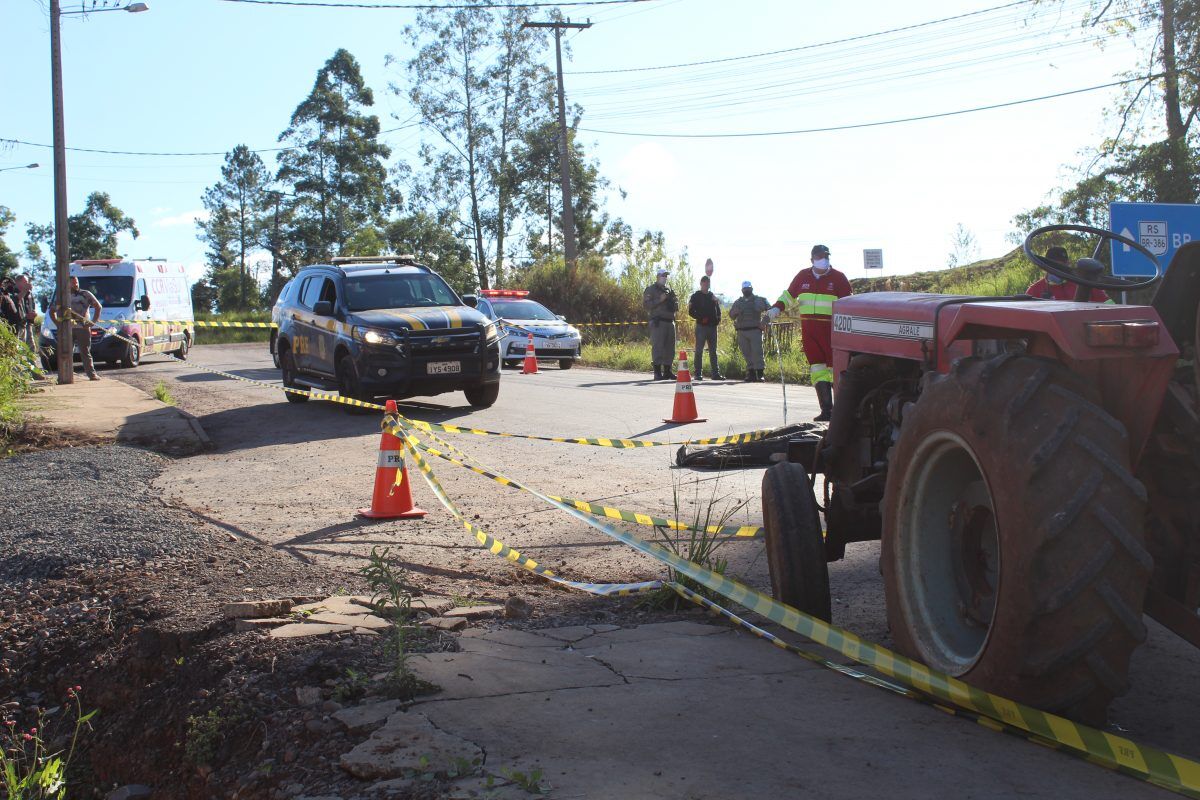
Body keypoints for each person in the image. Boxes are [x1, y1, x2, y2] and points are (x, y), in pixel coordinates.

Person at [767, 244, 852, 421]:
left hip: (832, 331)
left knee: (836, 369)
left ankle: (843, 413)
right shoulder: (802, 276)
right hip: (809, 332)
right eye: (820, 257)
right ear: (812, 259)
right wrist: (776, 308)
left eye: (826, 256)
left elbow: (849, 304)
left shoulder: (838, 278)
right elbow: (788, 296)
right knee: (817, 368)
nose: (824, 260)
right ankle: (827, 410)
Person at [50, 276, 103, 380]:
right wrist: (57, 324)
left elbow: (98, 306)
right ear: (68, 284)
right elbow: (52, 311)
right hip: (67, 329)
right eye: (73, 283)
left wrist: (92, 322)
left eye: (76, 282)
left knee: (85, 352)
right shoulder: (62, 296)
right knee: (66, 352)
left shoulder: (85, 294)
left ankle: (91, 374)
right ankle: (65, 375)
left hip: (83, 327)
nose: (75, 284)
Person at [1026, 246, 1113, 303]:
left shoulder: (1086, 284)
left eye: (1062, 265)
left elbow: (1109, 306)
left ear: (1068, 264)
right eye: (1054, 265)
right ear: (1045, 266)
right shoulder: (1035, 290)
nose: (1058, 269)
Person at [729, 280, 770, 382]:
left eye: (748, 288)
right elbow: (731, 315)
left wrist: (764, 322)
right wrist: (735, 312)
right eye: (745, 289)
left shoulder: (759, 300)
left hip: (755, 330)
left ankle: (760, 374)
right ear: (742, 290)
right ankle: (751, 373)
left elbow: (770, 310)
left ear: (752, 289)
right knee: (746, 353)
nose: (746, 290)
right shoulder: (738, 302)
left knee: (757, 352)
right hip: (742, 331)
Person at [642, 268, 678, 381]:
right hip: (658, 322)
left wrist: (674, 301)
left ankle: (667, 371)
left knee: (670, 348)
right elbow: (646, 305)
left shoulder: (668, 290)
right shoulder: (651, 290)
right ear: (657, 276)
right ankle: (657, 372)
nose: (664, 278)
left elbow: (676, 307)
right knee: (658, 346)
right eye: (662, 275)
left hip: (670, 322)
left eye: (666, 276)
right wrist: (659, 299)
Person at [687, 275, 724, 381]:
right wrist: (700, 318)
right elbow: (690, 311)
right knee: (699, 350)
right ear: (701, 284)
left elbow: (718, 309)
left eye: (708, 283)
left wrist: (718, 319)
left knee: (713, 351)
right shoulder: (695, 296)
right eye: (704, 283)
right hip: (701, 327)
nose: (706, 285)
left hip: (713, 327)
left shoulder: (712, 296)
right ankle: (698, 373)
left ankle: (715, 374)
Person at [14, 274, 37, 349]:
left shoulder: (29, 294)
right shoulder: (12, 291)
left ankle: (30, 360)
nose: (27, 283)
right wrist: (25, 290)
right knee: (16, 346)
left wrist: (33, 313)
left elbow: (31, 305)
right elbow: (17, 300)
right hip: (16, 324)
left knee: (29, 344)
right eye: (25, 282)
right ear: (18, 282)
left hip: (26, 322)